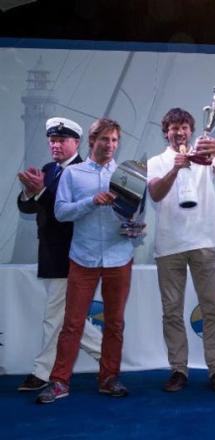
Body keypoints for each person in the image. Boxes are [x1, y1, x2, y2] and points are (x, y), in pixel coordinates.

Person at [36, 118, 139, 403]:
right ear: (92, 142)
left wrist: (135, 227)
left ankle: (109, 378)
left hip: (120, 257)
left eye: (115, 140)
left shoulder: (127, 174)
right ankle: (59, 382)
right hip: (83, 258)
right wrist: (92, 201)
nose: (110, 145)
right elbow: (61, 213)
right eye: (105, 140)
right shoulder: (73, 174)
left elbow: (136, 214)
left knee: (115, 323)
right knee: (72, 323)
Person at [147, 108, 215, 393]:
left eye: (184, 127)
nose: (179, 132)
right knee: (172, 312)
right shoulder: (156, 161)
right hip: (170, 246)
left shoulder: (204, 156)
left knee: (212, 310)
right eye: (173, 128)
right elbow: (156, 193)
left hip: (206, 242)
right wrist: (176, 167)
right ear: (166, 132)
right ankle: (178, 370)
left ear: (191, 130)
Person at [17, 117, 103, 392]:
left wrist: (40, 191)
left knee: (54, 316)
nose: (55, 145)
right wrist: (30, 192)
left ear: (76, 142)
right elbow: (30, 209)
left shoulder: (83, 172)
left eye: (61, 140)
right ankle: (109, 356)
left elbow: (66, 214)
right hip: (51, 254)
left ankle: (42, 373)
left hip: (73, 254)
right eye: (52, 140)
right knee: (69, 318)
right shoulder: (49, 169)